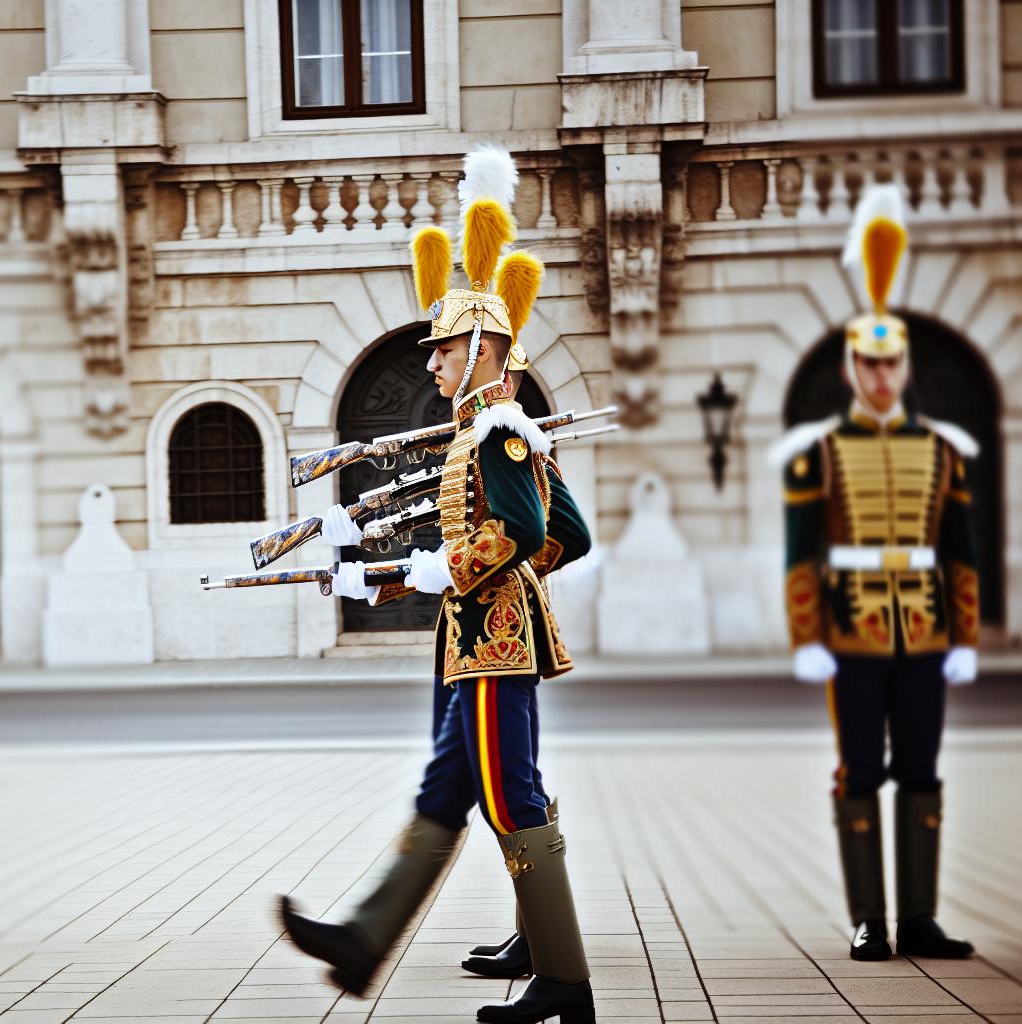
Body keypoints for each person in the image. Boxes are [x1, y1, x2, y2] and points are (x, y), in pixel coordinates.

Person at [281, 146, 596, 1024]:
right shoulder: (498, 430)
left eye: (445, 347)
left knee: (510, 795)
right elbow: (564, 535)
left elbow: (531, 533)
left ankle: (563, 976)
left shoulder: (497, 428)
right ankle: (362, 940)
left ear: (485, 347)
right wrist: (445, 575)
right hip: (474, 635)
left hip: (492, 641)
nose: (430, 362)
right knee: (447, 792)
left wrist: (447, 570)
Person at [769, 186, 980, 962]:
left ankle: (919, 915)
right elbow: (801, 550)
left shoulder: (942, 449)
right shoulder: (816, 452)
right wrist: (806, 635)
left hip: (923, 626)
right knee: (860, 767)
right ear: (853, 368)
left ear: (904, 366)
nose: (883, 377)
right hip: (851, 627)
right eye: (870, 363)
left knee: (921, 766)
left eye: (893, 364)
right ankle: (870, 918)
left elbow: (959, 547)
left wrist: (965, 632)